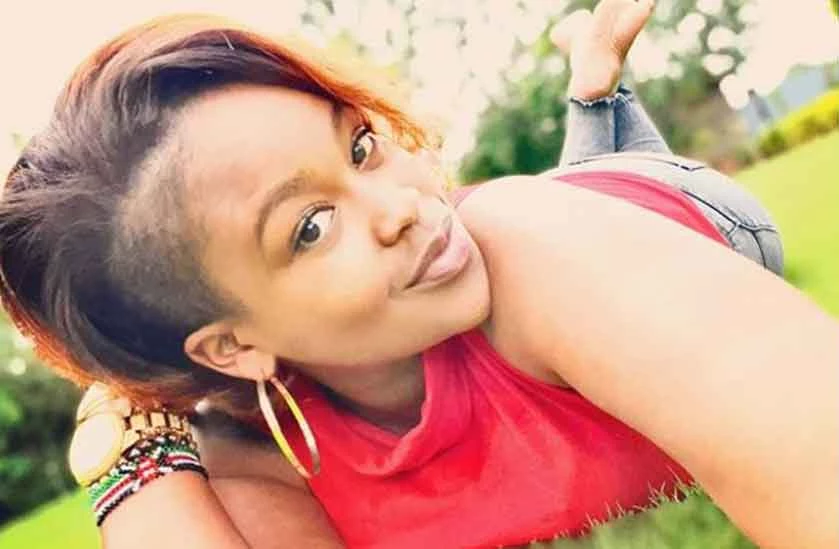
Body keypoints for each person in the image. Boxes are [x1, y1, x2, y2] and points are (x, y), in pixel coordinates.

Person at [0, 1, 836, 548]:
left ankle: (597, 108)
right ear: (230, 345)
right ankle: (589, 100)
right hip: (507, 249)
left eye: (360, 143)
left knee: (548, 209)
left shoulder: (528, 242)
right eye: (310, 227)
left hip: (677, 212)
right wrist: (133, 454)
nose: (398, 203)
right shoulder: (253, 447)